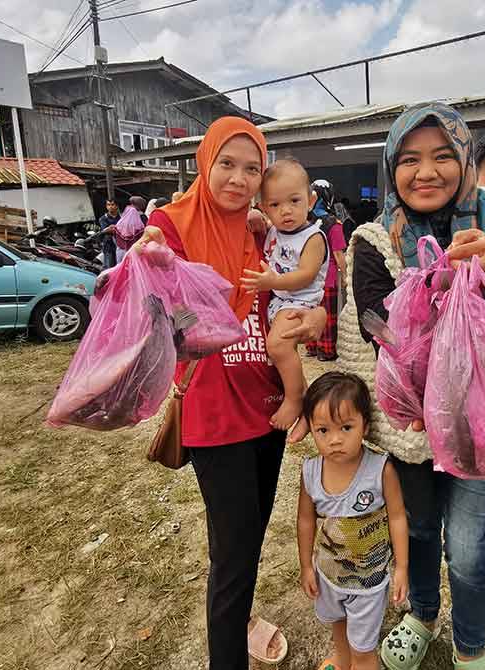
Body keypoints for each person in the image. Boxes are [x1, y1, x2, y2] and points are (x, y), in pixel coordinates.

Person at [340, 101, 485, 670]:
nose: (426, 172)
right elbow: (377, 328)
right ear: (391, 168)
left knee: (468, 550)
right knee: (416, 530)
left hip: (483, 424)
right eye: (410, 159)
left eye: (444, 156)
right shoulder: (374, 238)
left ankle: (470, 645)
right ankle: (420, 613)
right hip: (411, 423)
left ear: (466, 160)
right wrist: (437, 297)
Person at [114, 117, 327, 670]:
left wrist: (319, 313)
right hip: (214, 408)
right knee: (231, 553)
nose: (238, 179)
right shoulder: (169, 224)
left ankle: (243, 620)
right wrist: (151, 262)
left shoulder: (262, 230)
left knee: (250, 536)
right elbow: (162, 315)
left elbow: (304, 290)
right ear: (205, 161)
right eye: (226, 164)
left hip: (268, 403)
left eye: (251, 168)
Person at [297, 372, 409, 670]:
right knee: (338, 627)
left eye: (346, 427)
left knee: (364, 650)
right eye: (323, 430)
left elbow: (397, 517)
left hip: (368, 583)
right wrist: (306, 565)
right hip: (329, 576)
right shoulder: (310, 472)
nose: (335, 440)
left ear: (365, 427)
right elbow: (305, 520)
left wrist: (401, 567)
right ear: (311, 430)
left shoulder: (380, 470)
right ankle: (342, 661)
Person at [239, 158, 328, 431]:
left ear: (310, 201)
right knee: (279, 349)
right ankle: (300, 394)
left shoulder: (313, 237)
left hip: (300, 300)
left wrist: (273, 281)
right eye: (275, 205)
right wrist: (255, 217)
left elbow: (306, 274)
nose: (286, 211)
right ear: (264, 207)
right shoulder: (275, 230)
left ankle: (294, 398)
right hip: (280, 298)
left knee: (278, 346)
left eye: (294, 201)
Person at [306, 179, 348, 362]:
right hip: (327, 277)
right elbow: (338, 254)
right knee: (327, 317)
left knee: (310, 312)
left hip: (307, 277)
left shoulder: (305, 221)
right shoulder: (334, 223)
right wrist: (346, 275)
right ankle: (327, 351)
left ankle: (311, 347)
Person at [97, 199, 121, 268]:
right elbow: (107, 230)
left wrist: (113, 228)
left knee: (119, 266)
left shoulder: (121, 217)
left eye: (112, 204)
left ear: (117, 206)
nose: (110, 207)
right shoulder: (103, 218)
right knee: (109, 266)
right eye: (108, 205)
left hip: (120, 245)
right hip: (108, 245)